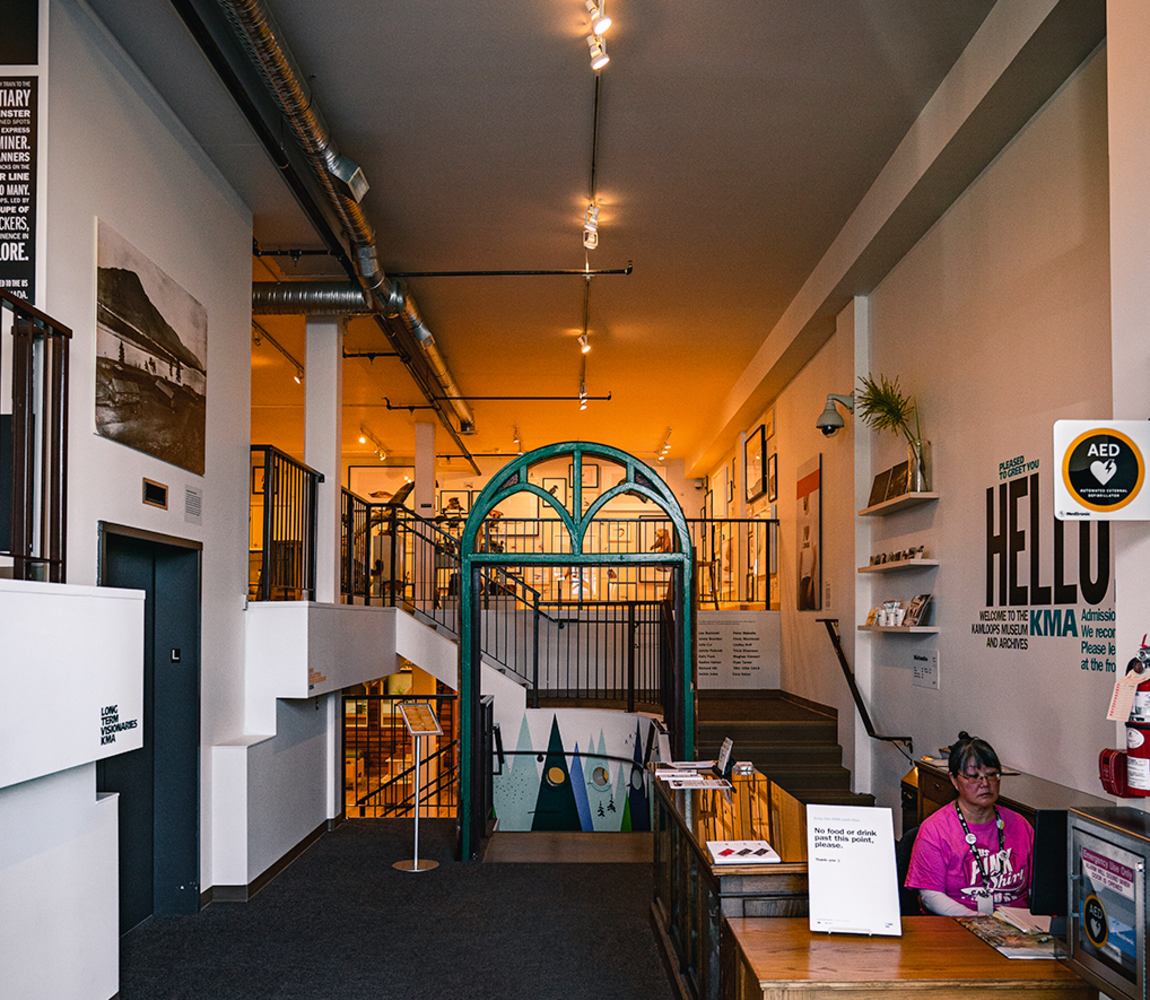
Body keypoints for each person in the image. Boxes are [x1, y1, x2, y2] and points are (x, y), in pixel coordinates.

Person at [904, 731, 1033, 915]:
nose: (985, 783)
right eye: (973, 776)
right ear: (954, 780)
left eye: (992, 775)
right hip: (959, 924)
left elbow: (1038, 889)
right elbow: (930, 896)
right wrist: (975, 919)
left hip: (1017, 928)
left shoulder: (1020, 825)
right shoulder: (935, 829)